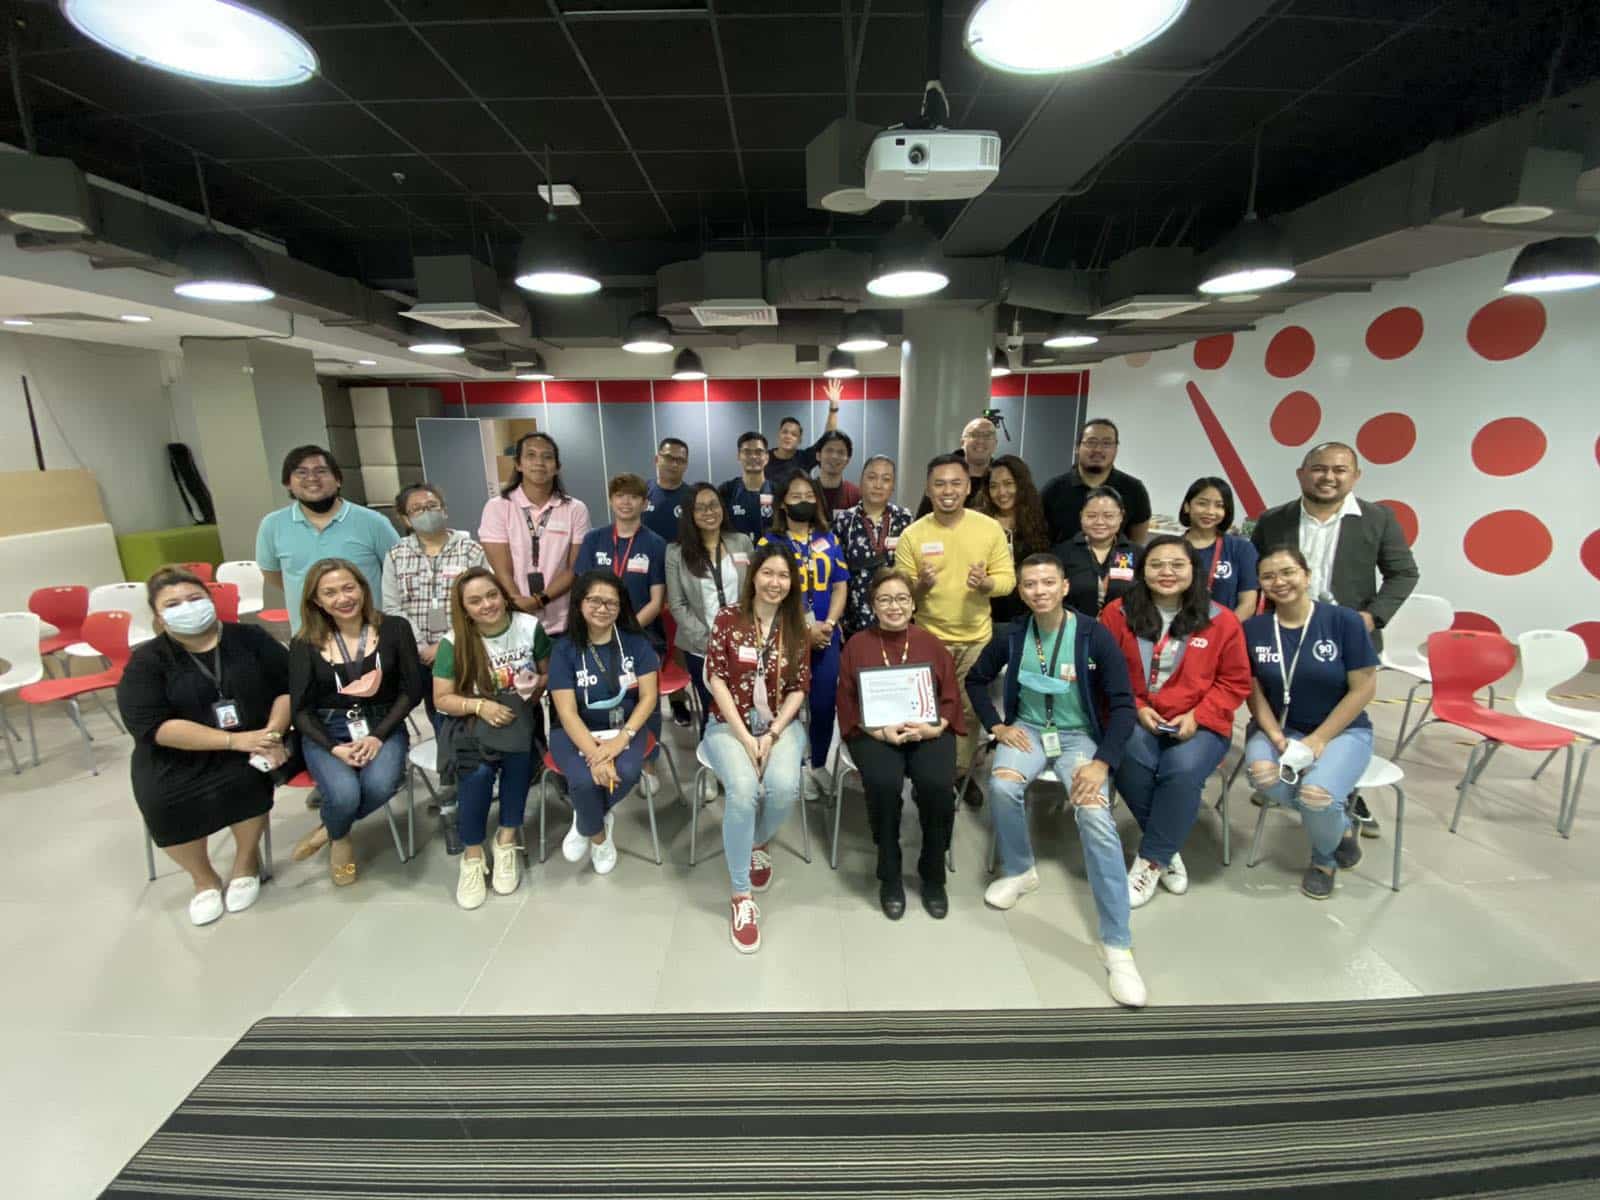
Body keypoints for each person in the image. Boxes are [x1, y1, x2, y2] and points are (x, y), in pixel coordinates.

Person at [964, 552, 1145, 1008]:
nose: (1039, 591)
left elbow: (1124, 706)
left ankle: (1117, 945)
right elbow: (975, 680)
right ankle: (1020, 870)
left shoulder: (1093, 636)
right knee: (1003, 786)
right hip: (1027, 730)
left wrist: (1102, 763)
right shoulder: (1011, 635)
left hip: (1079, 738)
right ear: (1021, 591)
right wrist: (996, 725)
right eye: (1029, 584)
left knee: (1095, 816)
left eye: (1048, 582)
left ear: (1064, 586)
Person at [1249, 441, 1418, 836]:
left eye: (1339, 470)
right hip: (1286, 634)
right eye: (1319, 468)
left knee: (1342, 714)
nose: (1328, 477)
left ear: (1355, 476)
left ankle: (1343, 793)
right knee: (1287, 707)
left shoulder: (1378, 519)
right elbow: (1254, 574)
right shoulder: (1273, 520)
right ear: (1302, 474)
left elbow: (1404, 573)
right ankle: (1291, 777)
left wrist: (1372, 617)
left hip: (1345, 636)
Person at [116, 567, 292, 926]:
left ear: (211, 601)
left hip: (254, 742)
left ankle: (246, 862)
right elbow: (153, 725)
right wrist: (232, 740)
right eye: (173, 604)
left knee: (249, 779)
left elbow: (288, 688)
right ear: (158, 617)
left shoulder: (250, 639)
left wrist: (271, 735)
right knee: (161, 800)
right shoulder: (147, 661)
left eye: (195, 598)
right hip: (176, 755)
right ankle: (203, 878)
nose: (187, 607)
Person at [1099, 536, 1251, 909]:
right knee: (1130, 759)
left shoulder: (1222, 620)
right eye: (1156, 564)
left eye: (1177, 565)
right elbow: (1103, 671)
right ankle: (1165, 849)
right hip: (1136, 714)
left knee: (1180, 770)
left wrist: (1198, 715)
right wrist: (1136, 706)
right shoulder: (1117, 614)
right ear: (1142, 571)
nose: (1166, 572)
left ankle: (1150, 860)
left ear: (1193, 570)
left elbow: (1235, 682)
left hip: (1201, 720)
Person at [1242, 545, 1378, 900]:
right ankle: (1339, 825)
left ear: (1306, 575)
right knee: (1263, 777)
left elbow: (1364, 688)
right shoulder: (1254, 629)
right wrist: (1275, 735)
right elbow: (1253, 693)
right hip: (1279, 726)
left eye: (1288, 572)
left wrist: (1319, 739)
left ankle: (1323, 858)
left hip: (1342, 730)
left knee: (1316, 795)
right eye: (1268, 576)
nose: (1279, 581)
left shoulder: (1343, 621)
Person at [287, 558, 426, 886]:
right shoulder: (304, 642)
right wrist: (334, 748)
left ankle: (330, 829)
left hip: (382, 724)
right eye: (330, 593)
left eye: (349, 588)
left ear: (363, 589)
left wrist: (378, 736)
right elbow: (300, 710)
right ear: (316, 601)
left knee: (380, 785)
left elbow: (412, 690)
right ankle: (341, 840)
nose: (343, 598)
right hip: (327, 729)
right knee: (344, 794)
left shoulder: (395, 628)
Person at [700, 543, 810, 953]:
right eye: (768, 573)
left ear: (791, 582)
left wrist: (773, 733)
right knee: (744, 791)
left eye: (783, 575)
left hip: (779, 724)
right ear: (754, 577)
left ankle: (756, 841)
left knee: (783, 788)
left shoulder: (796, 625)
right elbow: (716, 679)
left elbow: (799, 687)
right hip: (728, 725)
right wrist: (746, 739)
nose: (774, 583)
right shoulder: (728, 618)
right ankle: (741, 895)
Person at [837, 569, 964, 921]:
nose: (894, 606)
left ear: (913, 604)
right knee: (883, 783)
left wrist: (933, 729)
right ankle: (889, 872)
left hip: (927, 729)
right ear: (873, 606)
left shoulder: (930, 642)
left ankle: (933, 872)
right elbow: (847, 701)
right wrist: (880, 732)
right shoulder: (857, 645)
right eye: (885, 599)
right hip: (876, 731)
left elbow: (950, 697)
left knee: (937, 785)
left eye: (902, 599)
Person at [432, 567, 551, 910]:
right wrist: (480, 706)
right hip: (472, 723)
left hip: (519, 719)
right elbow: (442, 699)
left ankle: (506, 840)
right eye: (475, 601)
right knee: (478, 776)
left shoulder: (529, 626)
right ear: (464, 608)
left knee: (518, 767)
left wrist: (535, 685)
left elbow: (548, 673)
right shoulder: (453, 643)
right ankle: (472, 856)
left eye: (491, 595)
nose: (486, 605)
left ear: (502, 594)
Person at [894, 454, 1015, 786]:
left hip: (976, 638)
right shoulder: (913, 535)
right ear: (928, 489)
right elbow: (901, 594)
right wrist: (921, 585)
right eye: (940, 484)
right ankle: (927, 774)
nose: (948, 491)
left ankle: (959, 776)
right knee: (926, 708)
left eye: (955, 483)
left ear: (968, 488)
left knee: (968, 711)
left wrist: (986, 584)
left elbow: (1008, 581)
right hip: (928, 637)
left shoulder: (989, 528)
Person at [546, 571, 661, 876]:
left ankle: (586, 817)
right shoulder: (564, 650)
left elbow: (648, 697)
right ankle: (598, 836)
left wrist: (620, 741)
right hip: (574, 730)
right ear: (579, 603)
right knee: (584, 781)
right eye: (594, 600)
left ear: (621, 607)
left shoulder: (637, 644)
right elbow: (567, 712)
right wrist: (596, 754)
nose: (603, 608)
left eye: (611, 602)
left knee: (627, 772)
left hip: (625, 726)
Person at [758, 470, 849, 777]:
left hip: (826, 635)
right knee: (786, 705)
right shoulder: (769, 542)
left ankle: (819, 763)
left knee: (824, 704)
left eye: (810, 496)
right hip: (785, 636)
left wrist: (829, 623)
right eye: (796, 496)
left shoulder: (829, 539)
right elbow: (766, 592)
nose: (804, 501)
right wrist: (804, 631)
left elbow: (840, 586)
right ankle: (790, 765)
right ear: (783, 503)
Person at [256, 445, 399, 634]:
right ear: (288, 483)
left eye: (321, 471)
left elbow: (398, 571)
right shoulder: (272, 525)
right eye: (301, 473)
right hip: (309, 635)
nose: (312, 478)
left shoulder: (374, 522)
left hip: (370, 634)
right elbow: (272, 574)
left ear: (338, 479)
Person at [381, 482, 487, 734]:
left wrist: (447, 644)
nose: (426, 512)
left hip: (466, 648)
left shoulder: (470, 550)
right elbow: (392, 607)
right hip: (420, 655)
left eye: (432, 505)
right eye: (417, 509)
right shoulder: (396, 555)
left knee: (475, 713)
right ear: (405, 519)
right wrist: (421, 648)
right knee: (440, 717)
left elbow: (484, 601)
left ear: (444, 510)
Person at [478, 431, 592, 636]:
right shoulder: (498, 507)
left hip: (563, 622)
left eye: (547, 457)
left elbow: (574, 569)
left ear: (557, 467)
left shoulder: (575, 509)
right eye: (531, 455)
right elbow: (501, 570)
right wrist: (518, 602)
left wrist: (539, 600)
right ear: (518, 464)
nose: (539, 462)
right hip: (513, 619)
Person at [665, 483, 754, 732]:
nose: (709, 512)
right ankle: (712, 753)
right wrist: (711, 643)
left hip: (744, 642)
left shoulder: (741, 542)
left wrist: (741, 637)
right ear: (690, 514)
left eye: (714, 505)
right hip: (700, 647)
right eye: (700, 508)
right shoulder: (676, 553)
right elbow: (678, 605)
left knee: (745, 707)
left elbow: (754, 591)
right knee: (714, 711)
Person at [573, 473, 668, 643]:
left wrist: (626, 633)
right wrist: (601, 630)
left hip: (641, 634)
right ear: (611, 500)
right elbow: (582, 592)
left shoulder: (656, 544)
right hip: (596, 631)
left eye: (634, 497)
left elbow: (656, 602)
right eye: (620, 495)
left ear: (645, 504)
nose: (626, 502)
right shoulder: (593, 539)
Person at [832, 454, 914, 638]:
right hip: (855, 617)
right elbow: (836, 573)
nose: (878, 485)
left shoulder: (905, 518)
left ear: (893, 486)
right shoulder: (844, 520)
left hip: (895, 614)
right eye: (872, 477)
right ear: (861, 482)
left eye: (886, 479)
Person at [1040, 419, 1153, 546]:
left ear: (1116, 449)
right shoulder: (1053, 489)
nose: (1098, 449)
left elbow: (1136, 545)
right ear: (1077, 448)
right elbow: (1040, 537)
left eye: (1107, 443)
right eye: (1091, 442)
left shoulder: (1134, 490)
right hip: (1062, 558)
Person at [982, 454, 1051, 632]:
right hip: (987, 615)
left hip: (1028, 612)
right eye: (994, 486)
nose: (1001, 492)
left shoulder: (1038, 521)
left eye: (1008, 484)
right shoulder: (980, 522)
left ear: (1021, 485)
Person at [1177, 477, 1258, 622]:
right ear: (1187, 506)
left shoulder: (1242, 549)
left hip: (1225, 631)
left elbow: (1248, 604)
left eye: (1219, 506)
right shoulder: (1170, 548)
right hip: (1176, 629)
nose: (1210, 511)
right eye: (1202, 503)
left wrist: (1223, 631)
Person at [1054, 485, 1138, 620]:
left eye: (1108, 516)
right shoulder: (1061, 553)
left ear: (1121, 516)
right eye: (1091, 516)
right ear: (1081, 516)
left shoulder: (1138, 554)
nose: (1099, 522)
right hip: (1074, 626)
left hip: (1123, 628)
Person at [912, 415, 1000, 518]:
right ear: (962, 442)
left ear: (995, 444)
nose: (981, 441)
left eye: (987, 436)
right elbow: (924, 517)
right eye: (974, 435)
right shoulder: (943, 473)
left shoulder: (1000, 477)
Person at [764, 391, 841, 481]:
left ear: (799, 440)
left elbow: (827, 439)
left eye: (794, 434)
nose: (788, 436)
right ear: (778, 435)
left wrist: (833, 409)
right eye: (785, 432)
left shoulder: (804, 458)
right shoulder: (765, 457)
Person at [718, 431, 776, 542]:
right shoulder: (726, 490)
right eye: (747, 452)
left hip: (770, 551)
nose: (753, 456)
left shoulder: (777, 491)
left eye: (758, 452)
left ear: (767, 457)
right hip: (736, 552)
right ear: (739, 456)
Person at [643, 437, 693, 544]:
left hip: (682, 554)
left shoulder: (693, 496)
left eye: (680, 460)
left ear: (686, 465)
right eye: (669, 458)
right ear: (657, 460)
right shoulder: (641, 492)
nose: (674, 464)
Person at [814, 430, 861, 514]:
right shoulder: (806, 491)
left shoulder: (856, 495)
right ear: (818, 455)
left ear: (848, 460)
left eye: (841, 452)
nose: (834, 456)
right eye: (829, 450)